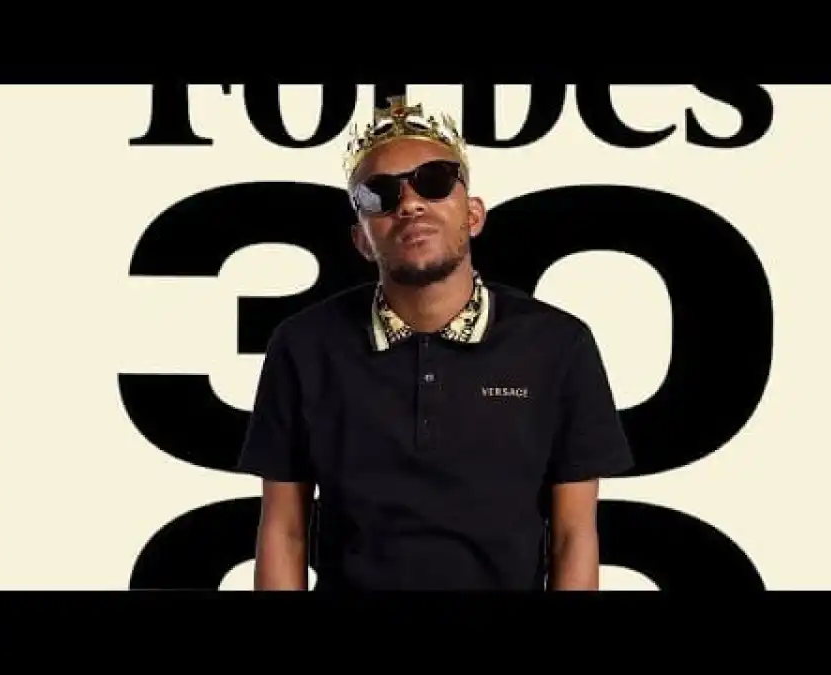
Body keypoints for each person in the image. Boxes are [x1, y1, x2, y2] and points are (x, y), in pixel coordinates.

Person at [236, 94, 634, 591]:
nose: (409, 203)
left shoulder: (558, 346)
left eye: (435, 181)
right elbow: (284, 531)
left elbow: (574, 537)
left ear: (473, 214)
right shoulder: (304, 345)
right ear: (361, 239)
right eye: (380, 194)